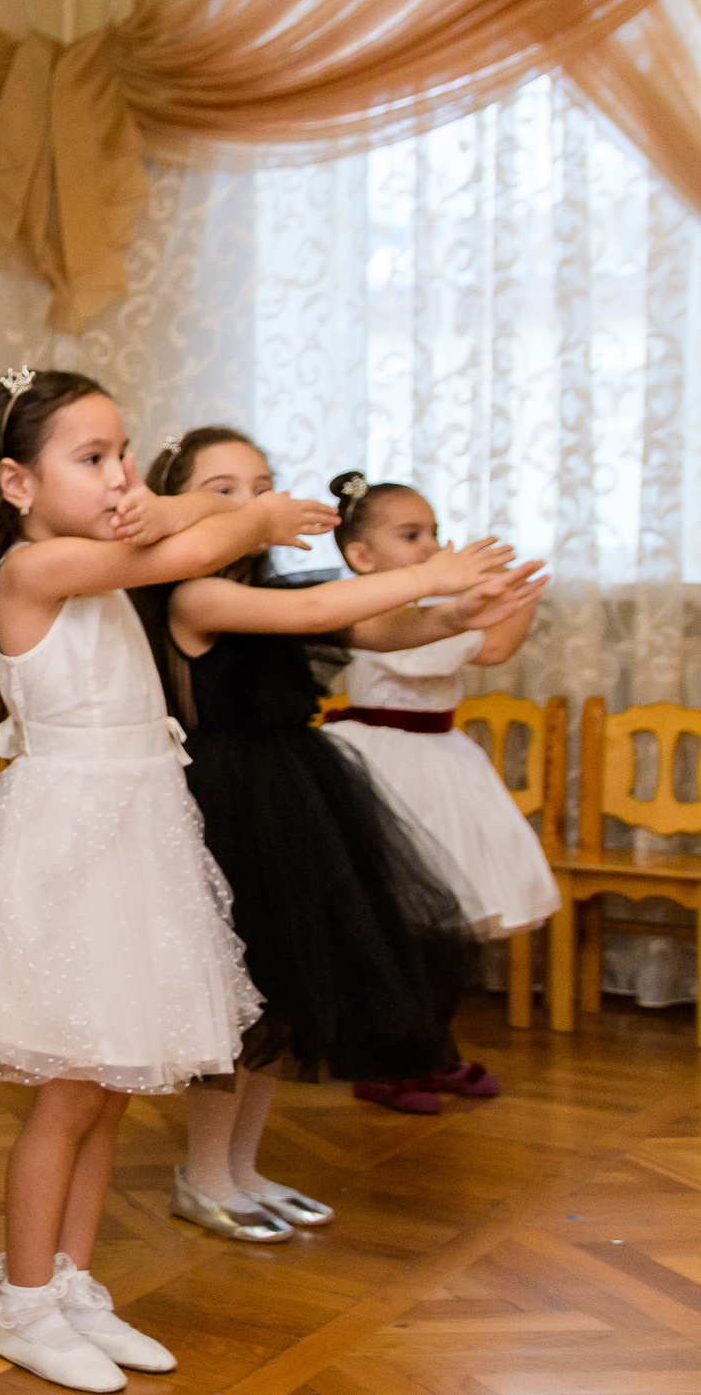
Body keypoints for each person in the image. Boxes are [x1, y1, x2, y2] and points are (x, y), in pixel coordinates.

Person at [0, 369, 314, 1393]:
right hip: (73, 839)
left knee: (113, 1083)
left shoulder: (95, 549)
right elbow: (188, 543)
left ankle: (74, 1280)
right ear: (13, 480)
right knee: (68, 1087)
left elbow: (161, 527)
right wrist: (251, 508)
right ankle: (25, 1297)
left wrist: (157, 498)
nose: (118, 475)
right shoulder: (30, 567)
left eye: (123, 453)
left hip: (137, 824)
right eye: (90, 458)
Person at [137, 433, 523, 1202]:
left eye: (264, 485)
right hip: (226, 801)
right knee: (236, 1004)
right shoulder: (194, 595)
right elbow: (321, 605)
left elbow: (379, 629)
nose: (255, 504)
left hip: (292, 791)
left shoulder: (275, 590)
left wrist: (457, 613)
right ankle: (206, 1176)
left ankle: (245, 1168)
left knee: (285, 991)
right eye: (224, 490)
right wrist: (429, 572)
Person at [323, 470, 557, 1105]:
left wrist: (506, 599)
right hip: (387, 764)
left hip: (441, 758)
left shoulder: (432, 612)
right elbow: (491, 648)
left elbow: (486, 642)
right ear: (361, 557)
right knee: (401, 922)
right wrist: (518, 600)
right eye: (411, 535)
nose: (431, 547)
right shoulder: (373, 614)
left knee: (449, 920)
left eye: (435, 533)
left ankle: (434, 1049)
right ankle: (386, 1060)